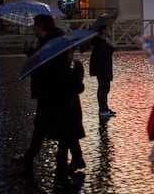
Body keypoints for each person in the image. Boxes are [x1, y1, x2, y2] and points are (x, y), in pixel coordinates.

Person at [12, 15, 86, 182]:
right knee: (61, 132)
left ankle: (59, 173)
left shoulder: (54, 44)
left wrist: (78, 75)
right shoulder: (52, 42)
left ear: (41, 26)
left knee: (57, 132)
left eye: (34, 25)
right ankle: (72, 162)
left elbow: (49, 69)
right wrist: (30, 53)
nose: (32, 29)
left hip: (54, 96)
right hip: (55, 96)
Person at [89, 25, 116, 117]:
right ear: (104, 30)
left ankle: (105, 108)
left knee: (104, 88)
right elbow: (104, 55)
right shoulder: (101, 42)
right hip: (102, 69)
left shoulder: (102, 41)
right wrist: (111, 47)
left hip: (103, 69)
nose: (110, 31)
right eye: (109, 28)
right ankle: (103, 109)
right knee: (103, 88)